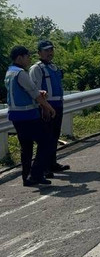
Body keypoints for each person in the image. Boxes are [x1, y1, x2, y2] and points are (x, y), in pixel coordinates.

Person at [4, 46, 57, 186]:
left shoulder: (10, 72)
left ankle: (26, 177)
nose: (29, 59)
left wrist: (38, 93)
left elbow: (23, 91)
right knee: (46, 142)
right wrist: (48, 107)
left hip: (15, 116)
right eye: (27, 56)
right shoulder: (21, 73)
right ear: (19, 57)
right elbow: (34, 93)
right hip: (28, 115)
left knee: (26, 147)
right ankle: (36, 174)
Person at [30, 40, 70, 175]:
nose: (49, 53)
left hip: (58, 104)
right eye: (46, 50)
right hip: (46, 106)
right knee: (46, 137)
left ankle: (52, 163)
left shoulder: (53, 67)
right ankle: (44, 167)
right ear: (39, 53)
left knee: (54, 136)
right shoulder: (37, 68)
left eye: (51, 50)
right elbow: (34, 90)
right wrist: (43, 106)